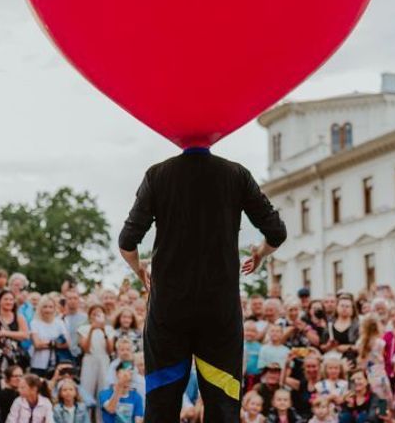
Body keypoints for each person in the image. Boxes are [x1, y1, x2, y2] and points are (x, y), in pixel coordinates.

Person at [117, 148, 286, 423]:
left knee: (161, 404)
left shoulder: (158, 174)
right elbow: (277, 232)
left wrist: (140, 270)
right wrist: (261, 253)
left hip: (168, 310)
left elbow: (127, 242)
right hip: (219, 310)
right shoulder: (236, 174)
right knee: (223, 404)